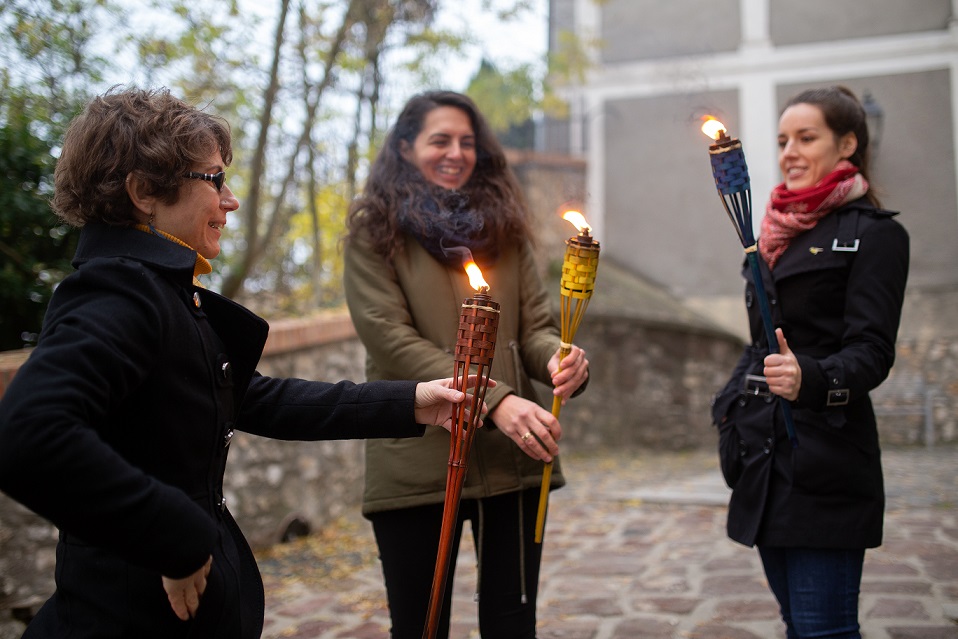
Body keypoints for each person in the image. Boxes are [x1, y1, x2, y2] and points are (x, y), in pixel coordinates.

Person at [0, 86, 486, 639]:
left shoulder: (160, 291)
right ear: (143, 192)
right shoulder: (117, 294)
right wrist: (177, 539)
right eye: (213, 180)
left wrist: (409, 402)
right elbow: (27, 432)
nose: (230, 200)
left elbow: (251, 397)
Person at [342, 90, 590, 638]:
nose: (456, 152)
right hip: (417, 462)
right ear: (406, 148)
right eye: (440, 140)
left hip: (513, 461)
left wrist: (562, 359)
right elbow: (390, 341)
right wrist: (496, 399)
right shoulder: (373, 232)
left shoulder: (507, 228)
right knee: (420, 626)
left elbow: (536, 330)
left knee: (511, 624)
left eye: (467, 142)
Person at [711, 85, 909, 639]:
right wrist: (728, 410)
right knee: (797, 624)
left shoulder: (877, 236)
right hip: (764, 463)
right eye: (781, 140)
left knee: (825, 630)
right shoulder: (767, 236)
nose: (789, 152)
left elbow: (873, 352)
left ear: (847, 144)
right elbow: (758, 344)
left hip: (827, 460)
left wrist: (811, 378)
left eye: (806, 137)